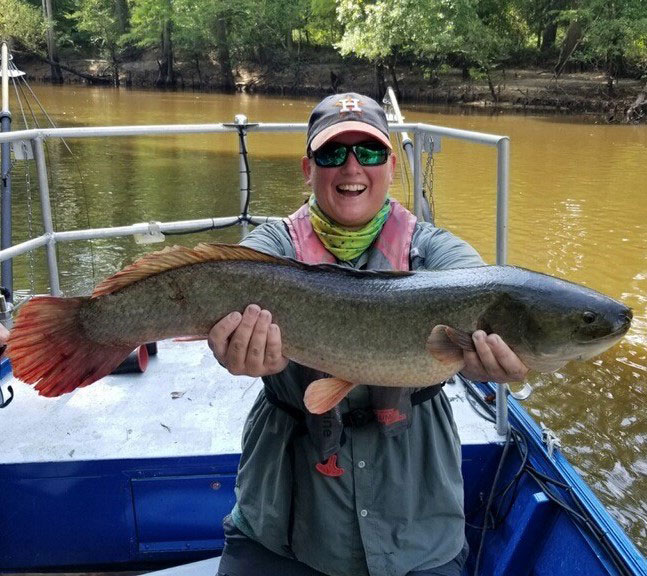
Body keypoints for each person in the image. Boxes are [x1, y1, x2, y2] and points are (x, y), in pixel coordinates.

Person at [210, 93, 528, 576]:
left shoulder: (438, 253)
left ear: (392, 165)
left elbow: (477, 283)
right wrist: (233, 349)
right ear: (308, 168)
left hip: (415, 514)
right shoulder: (272, 248)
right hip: (283, 510)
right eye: (333, 153)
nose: (352, 166)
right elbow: (222, 281)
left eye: (370, 152)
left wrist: (496, 360)